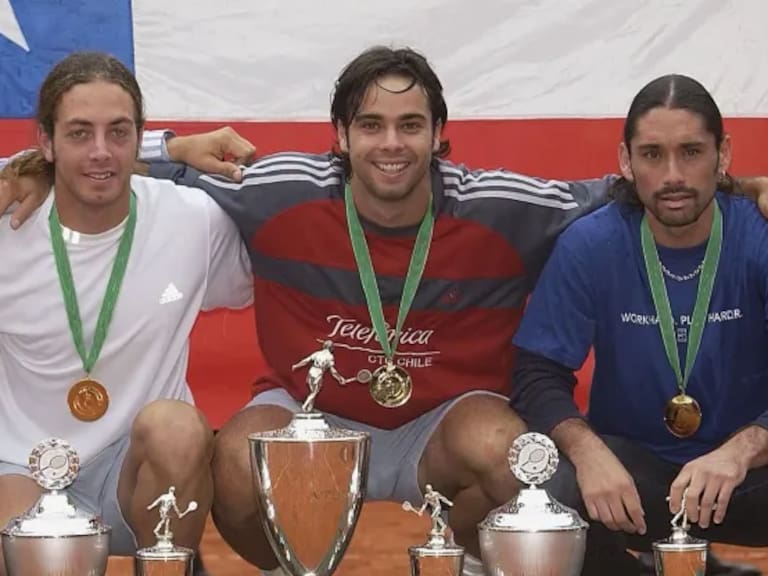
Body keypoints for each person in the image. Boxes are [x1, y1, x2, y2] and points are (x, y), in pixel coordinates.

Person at [4, 47, 768, 576]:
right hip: (312, 419)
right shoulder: (276, 192)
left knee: (514, 455)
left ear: (441, 136)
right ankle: (296, 562)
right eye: (370, 125)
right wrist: (33, 164)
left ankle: (472, 555)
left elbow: (635, 185)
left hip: (442, 422)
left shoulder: (507, 207)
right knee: (234, 455)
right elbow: (114, 163)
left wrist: (747, 189)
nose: (391, 144)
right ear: (340, 137)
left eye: (410, 126)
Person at [0, 51, 253, 575]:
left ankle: (166, 562)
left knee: (179, 429)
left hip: (131, 468)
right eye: (78, 134)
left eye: (118, 132)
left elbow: (281, 268)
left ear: (140, 137)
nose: (100, 152)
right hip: (18, 463)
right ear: (44, 142)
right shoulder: (10, 215)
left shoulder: (194, 220)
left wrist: (172, 149)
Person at [510, 74, 768, 576]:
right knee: (546, 489)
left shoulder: (758, 236)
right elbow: (537, 372)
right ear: (626, 161)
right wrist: (587, 453)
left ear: (724, 155)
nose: (673, 174)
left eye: (691, 151)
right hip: (635, 477)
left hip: (751, 471)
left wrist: (746, 447)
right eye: (652, 155)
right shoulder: (592, 244)